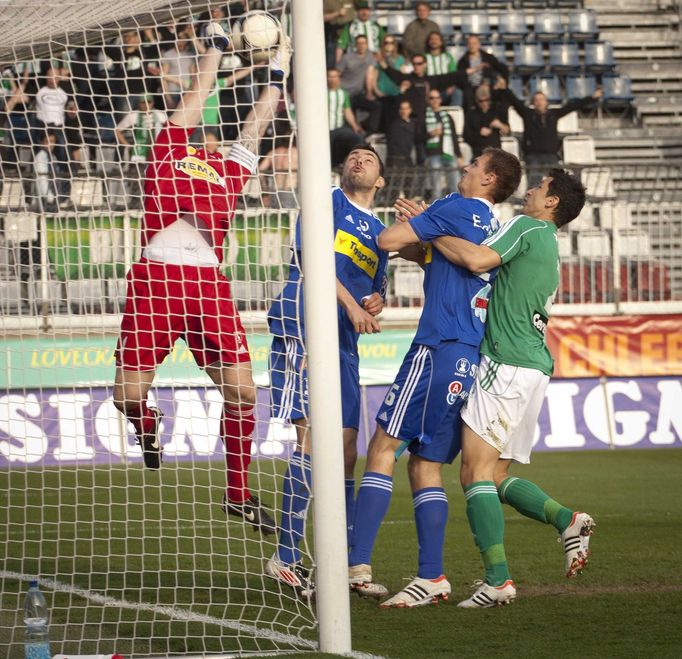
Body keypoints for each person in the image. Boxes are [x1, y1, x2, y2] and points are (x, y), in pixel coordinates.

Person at [112, 22, 291, 536]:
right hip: (156, 280)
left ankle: (238, 492)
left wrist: (277, 76)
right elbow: (196, 94)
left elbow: (256, 125)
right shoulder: (167, 153)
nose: (207, 135)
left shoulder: (230, 170)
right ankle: (146, 424)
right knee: (126, 396)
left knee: (243, 394)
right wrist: (214, 48)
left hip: (209, 285)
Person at [348, 148, 522, 607]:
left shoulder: (455, 207)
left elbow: (387, 240)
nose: (464, 169)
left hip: (437, 345)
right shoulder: (493, 227)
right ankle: (432, 577)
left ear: (487, 179)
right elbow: (428, 257)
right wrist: (426, 234)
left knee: (382, 446)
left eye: (473, 166)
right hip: (468, 353)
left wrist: (425, 223)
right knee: (424, 464)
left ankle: (356, 564)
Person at [426, 170, 594, 608]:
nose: (531, 190)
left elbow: (477, 261)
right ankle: (567, 519)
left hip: (507, 363)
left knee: (473, 474)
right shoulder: (548, 242)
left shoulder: (528, 226)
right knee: (496, 475)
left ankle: (497, 580)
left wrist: (431, 226)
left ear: (552, 202)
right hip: (533, 367)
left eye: (540, 186)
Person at [266, 145, 389, 597]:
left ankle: (351, 565)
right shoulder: (325, 202)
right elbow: (311, 259)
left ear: (379, 182)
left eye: (369, 159)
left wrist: (376, 301)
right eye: (353, 156)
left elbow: (377, 289)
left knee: (345, 450)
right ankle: (286, 556)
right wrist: (353, 303)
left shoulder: (379, 232)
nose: (358, 160)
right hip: (302, 321)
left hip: (343, 339)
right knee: (311, 440)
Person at [498, 78, 602, 185]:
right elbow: (515, 101)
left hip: (551, 155)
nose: (539, 102)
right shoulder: (527, 114)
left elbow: (573, 106)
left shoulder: (554, 114)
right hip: (533, 156)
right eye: (536, 100)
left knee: (555, 184)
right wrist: (505, 89)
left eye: (542, 99)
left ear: (546, 102)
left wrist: (592, 98)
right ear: (533, 102)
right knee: (534, 185)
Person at [377, 53, 465, 164]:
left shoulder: (430, 80)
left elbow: (451, 77)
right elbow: (393, 74)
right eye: (414, 64)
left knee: (423, 158)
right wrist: (382, 64)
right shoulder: (407, 79)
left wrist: (474, 69)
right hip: (410, 122)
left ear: (425, 64)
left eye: (419, 63)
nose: (416, 66)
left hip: (424, 122)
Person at [115, 95, 167, 207]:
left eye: (148, 102)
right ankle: (136, 203)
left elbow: (169, 130)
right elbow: (117, 130)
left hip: (156, 151)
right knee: (137, 177)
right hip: (139, 151)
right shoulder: (133, 116)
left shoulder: (160, 115)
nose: (146, 105)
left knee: (158, 178)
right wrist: (128, 145)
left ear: (152, 103)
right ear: (139, 103)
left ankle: (156, 203)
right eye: (143, 102)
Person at [425, 90, 464, 201]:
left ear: (440, 100)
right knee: (436, 189)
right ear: (428, 100)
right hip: (433, 154)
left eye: (437, 98)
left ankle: (456, 211)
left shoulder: (447, 117)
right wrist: (430, 134)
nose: (435, 100)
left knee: (455, 187)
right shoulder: (424, 117)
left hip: (449, 153)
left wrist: (459, 156)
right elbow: (418, 137)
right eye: (432, 98)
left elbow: (454, 138)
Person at [338, 35, 381, 134]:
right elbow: (337, 73)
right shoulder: (347, 58)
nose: (361, 46)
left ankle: (369, 131)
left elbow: (371, 72)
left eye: (364, 43)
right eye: (359, 43)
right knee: (350, 122)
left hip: (358, 94)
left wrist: (370, 91)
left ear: (367, 45)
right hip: (346, 93)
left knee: (376, 106)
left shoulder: (370, 56)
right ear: (355, 45)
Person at [365, 35, 407, 132]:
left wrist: (401, 90)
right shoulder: (379, 58)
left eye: (391, 42)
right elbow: (374, 75)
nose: (389, 45)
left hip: (395, 92)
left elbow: (402, 75)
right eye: (386, 42)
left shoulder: (400, 58)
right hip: (382, 91)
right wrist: (375, 89)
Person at [457, 35, 509, 110]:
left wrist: (503, 80)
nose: (472, 46)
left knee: (503, 93)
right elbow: (460, 78)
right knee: (467, 94)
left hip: (488, 85)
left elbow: (503, 69)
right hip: (471, 88)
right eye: (470, 44)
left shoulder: (488, 58)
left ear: (479, 45)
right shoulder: (463, 62)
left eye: (474, 43)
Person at [327, 67, 365, 167]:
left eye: (335, 77)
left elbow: (347, 111)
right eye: (330, 77)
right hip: (325, 129)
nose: (332, 79)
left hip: (339, 128)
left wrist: (355, 126)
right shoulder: (322, 93)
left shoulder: (343, 94)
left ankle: (356, 163)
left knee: (356, 138)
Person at [463, 84, 510, 159]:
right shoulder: (471, 115)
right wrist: (479, 133)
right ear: (476, 100)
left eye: (487, 100)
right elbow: (466, 136)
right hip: (479, 154)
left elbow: (508, 131)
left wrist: (500, 125)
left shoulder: (496, 111)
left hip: (495, 154)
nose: (484, 103)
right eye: (481, 101)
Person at [424, 31, 459, 106]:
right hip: (429, 93)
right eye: (431, 39)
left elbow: (454, 76)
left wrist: (452, 87)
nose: (434, 41)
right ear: (428, 42)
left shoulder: (448, 57)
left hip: (445, 92)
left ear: (441, 42)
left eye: (436, 39)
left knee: (457, 92)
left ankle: (454, 116)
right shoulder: (424, 57)